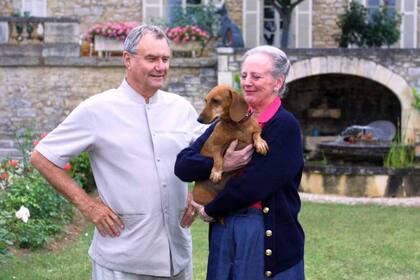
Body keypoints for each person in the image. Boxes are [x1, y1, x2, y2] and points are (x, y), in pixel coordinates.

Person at [31, 24, 204, 280]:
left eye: (165, 59)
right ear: (127, 59)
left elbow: (207, 152)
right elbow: (42, 156)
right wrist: (88, 206)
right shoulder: (97, 109)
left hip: (177, 257)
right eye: (152, 59)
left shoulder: (181, 108)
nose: (161, 66)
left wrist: (200, 191)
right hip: (121, 259)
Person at [175, 45, 305, 279]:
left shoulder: (284, 126)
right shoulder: (225, 122)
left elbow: (256, 183)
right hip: (225, 228)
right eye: (244, 75)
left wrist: (212, 209)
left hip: (261, 231)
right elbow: (183, 165)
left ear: (278, 82)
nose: (247, 82)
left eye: (256, 76)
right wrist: (224, 163)